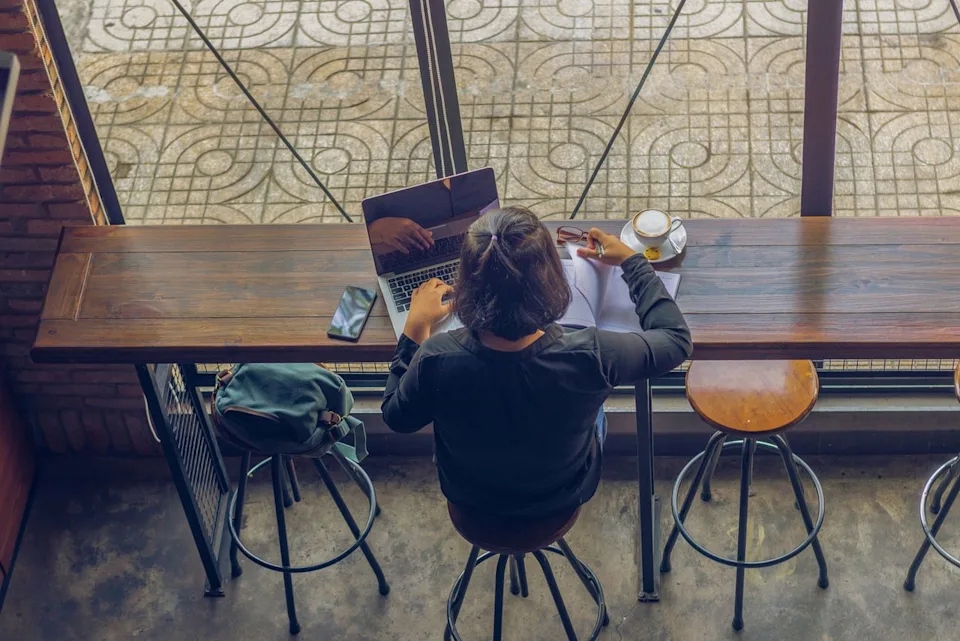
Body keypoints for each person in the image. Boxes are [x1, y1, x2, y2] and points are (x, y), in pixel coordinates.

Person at [381, 206, 692, 517]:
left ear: (467, 283)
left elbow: (397, 418)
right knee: (592, 406)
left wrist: (414, 327)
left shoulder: (436, 357)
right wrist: (632, 261)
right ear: (551, 279)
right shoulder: (592, 354)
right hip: (565, 491)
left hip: (472, 496)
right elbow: (676, 340)